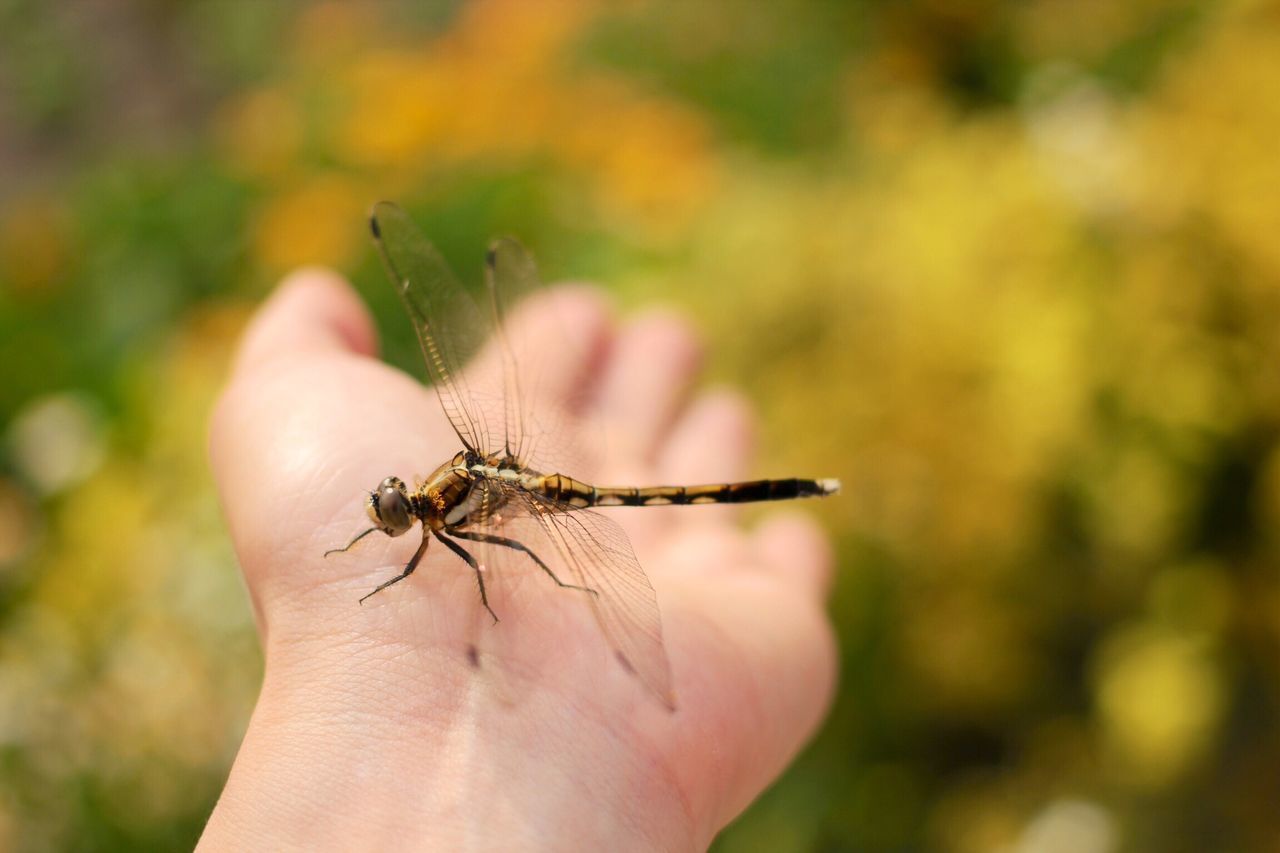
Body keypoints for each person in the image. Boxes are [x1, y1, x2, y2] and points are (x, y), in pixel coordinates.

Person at [201, 267, 837, 850]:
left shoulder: (438, 519)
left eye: (393, 506)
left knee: (495, 558)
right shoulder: (435, 502)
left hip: (538, 489)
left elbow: (482, 564)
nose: (393, 507)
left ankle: (799, 487)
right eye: (392, 504)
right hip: (513, 486)